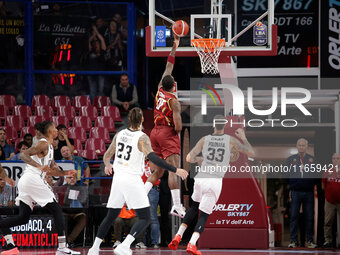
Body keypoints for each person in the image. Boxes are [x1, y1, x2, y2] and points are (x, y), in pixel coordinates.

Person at [88, 107, 188, 255]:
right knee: (146, 217)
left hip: (117, 180)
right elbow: (153, 158)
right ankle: (125, 245)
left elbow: (107, 154)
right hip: (131, 180)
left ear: (129, 119)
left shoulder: (120, 134)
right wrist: (175, 170)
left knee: (111, 215)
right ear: (142, 120)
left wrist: (108, 165)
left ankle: (94, 248)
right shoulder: (142, 137)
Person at [168, 115, 255, 255]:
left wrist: (200, 158)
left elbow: (189, 158)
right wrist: (243, 137)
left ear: (213, 125)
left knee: (194, 207)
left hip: (200, 178)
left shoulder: (205, 139)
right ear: (224, 126)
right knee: (203, 215)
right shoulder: (230, 140)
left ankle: (178, 235)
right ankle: (191, 244)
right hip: (214, 180)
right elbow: (251, 152)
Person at [0, 121, 80, 255]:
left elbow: (50, 170)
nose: (56, 130)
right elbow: (24, 155)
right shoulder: (42, 143)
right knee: (56, 209)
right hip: (32, 178)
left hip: (27, 181)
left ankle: (9, 243)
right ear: (49, 131)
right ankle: (61, 247)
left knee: (23, 218)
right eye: (54, 128)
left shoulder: (49, 147)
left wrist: (67, 173)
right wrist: (38, 166)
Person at [144, 36, 186, 218]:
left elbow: (169, 66)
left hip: (154, 131)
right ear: (174, 85)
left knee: (158, 170)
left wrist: (174, 47)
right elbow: (178, 126)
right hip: (167, 133)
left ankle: (140, 195)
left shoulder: (160, 88)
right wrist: (177, 132)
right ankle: (176, 205)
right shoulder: (174, 101)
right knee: (172, 169)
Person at [287, 138, 318, 248]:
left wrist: (311, 185)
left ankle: (310, 241)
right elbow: (286, 174)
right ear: (296, 146)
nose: (301, 147)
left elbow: (316, 175)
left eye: (303, 145)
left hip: (308, 192)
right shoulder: (291, 159)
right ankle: (293, 241)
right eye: (299, 145)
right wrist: (291, 187)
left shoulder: (312, 160)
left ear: (306, 147)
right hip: (295, 191)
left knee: (309, 217)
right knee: (294, 216)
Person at [62, 174, 88, 247]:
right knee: (60, 217)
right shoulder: (62, 188)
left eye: (74, 178)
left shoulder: (81, 188)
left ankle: (69, 241)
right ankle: (63, 241)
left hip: (77, 212)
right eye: (70, 177)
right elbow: (61, 203)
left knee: (83, 218)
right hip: (65, 211)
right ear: (66, 179)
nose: (72, 179)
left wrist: (79, 197)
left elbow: (84, 201)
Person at [322, 153, 340, 248]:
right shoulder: (327, 171)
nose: (336, 160)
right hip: (329, 201)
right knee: (328, 221)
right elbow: (323, 186)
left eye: (338, 158)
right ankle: (328, 241)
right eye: (334, 158)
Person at [0, 163, 18, 255]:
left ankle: (11, 245)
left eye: (3, 180)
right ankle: (11, 245)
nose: (2, 181)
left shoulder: (9, 189)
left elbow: (11, 203)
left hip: (5, 212)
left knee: (2, 222)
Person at [88, 24, 107, 101]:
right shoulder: (91, 51)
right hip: (91, 74)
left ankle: (100, 106)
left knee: (101, 91)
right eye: (95, 43)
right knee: (93, 91)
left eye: (97, 43)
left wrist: (96, 31)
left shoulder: (102, 51)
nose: (96, 45)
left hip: (101, 74)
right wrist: (94, 35)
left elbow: (102, 39)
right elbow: (89, 41)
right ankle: (93, 108)